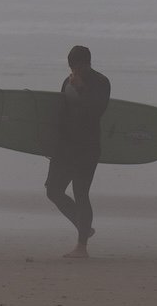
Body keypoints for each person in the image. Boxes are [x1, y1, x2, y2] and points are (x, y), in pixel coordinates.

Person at [46, 45, 110, 257]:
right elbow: (61, 115)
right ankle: (84, 226)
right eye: (71, 67)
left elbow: (95, 112)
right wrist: (52, 144)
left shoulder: (101, 82)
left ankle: (81, 246)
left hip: (87, 148)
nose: (74, 71)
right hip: (65, 148)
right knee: (53, 190)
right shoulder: (67, 82)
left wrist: (82, 88)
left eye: (77, 67)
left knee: (81, 194)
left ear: (86, 64)